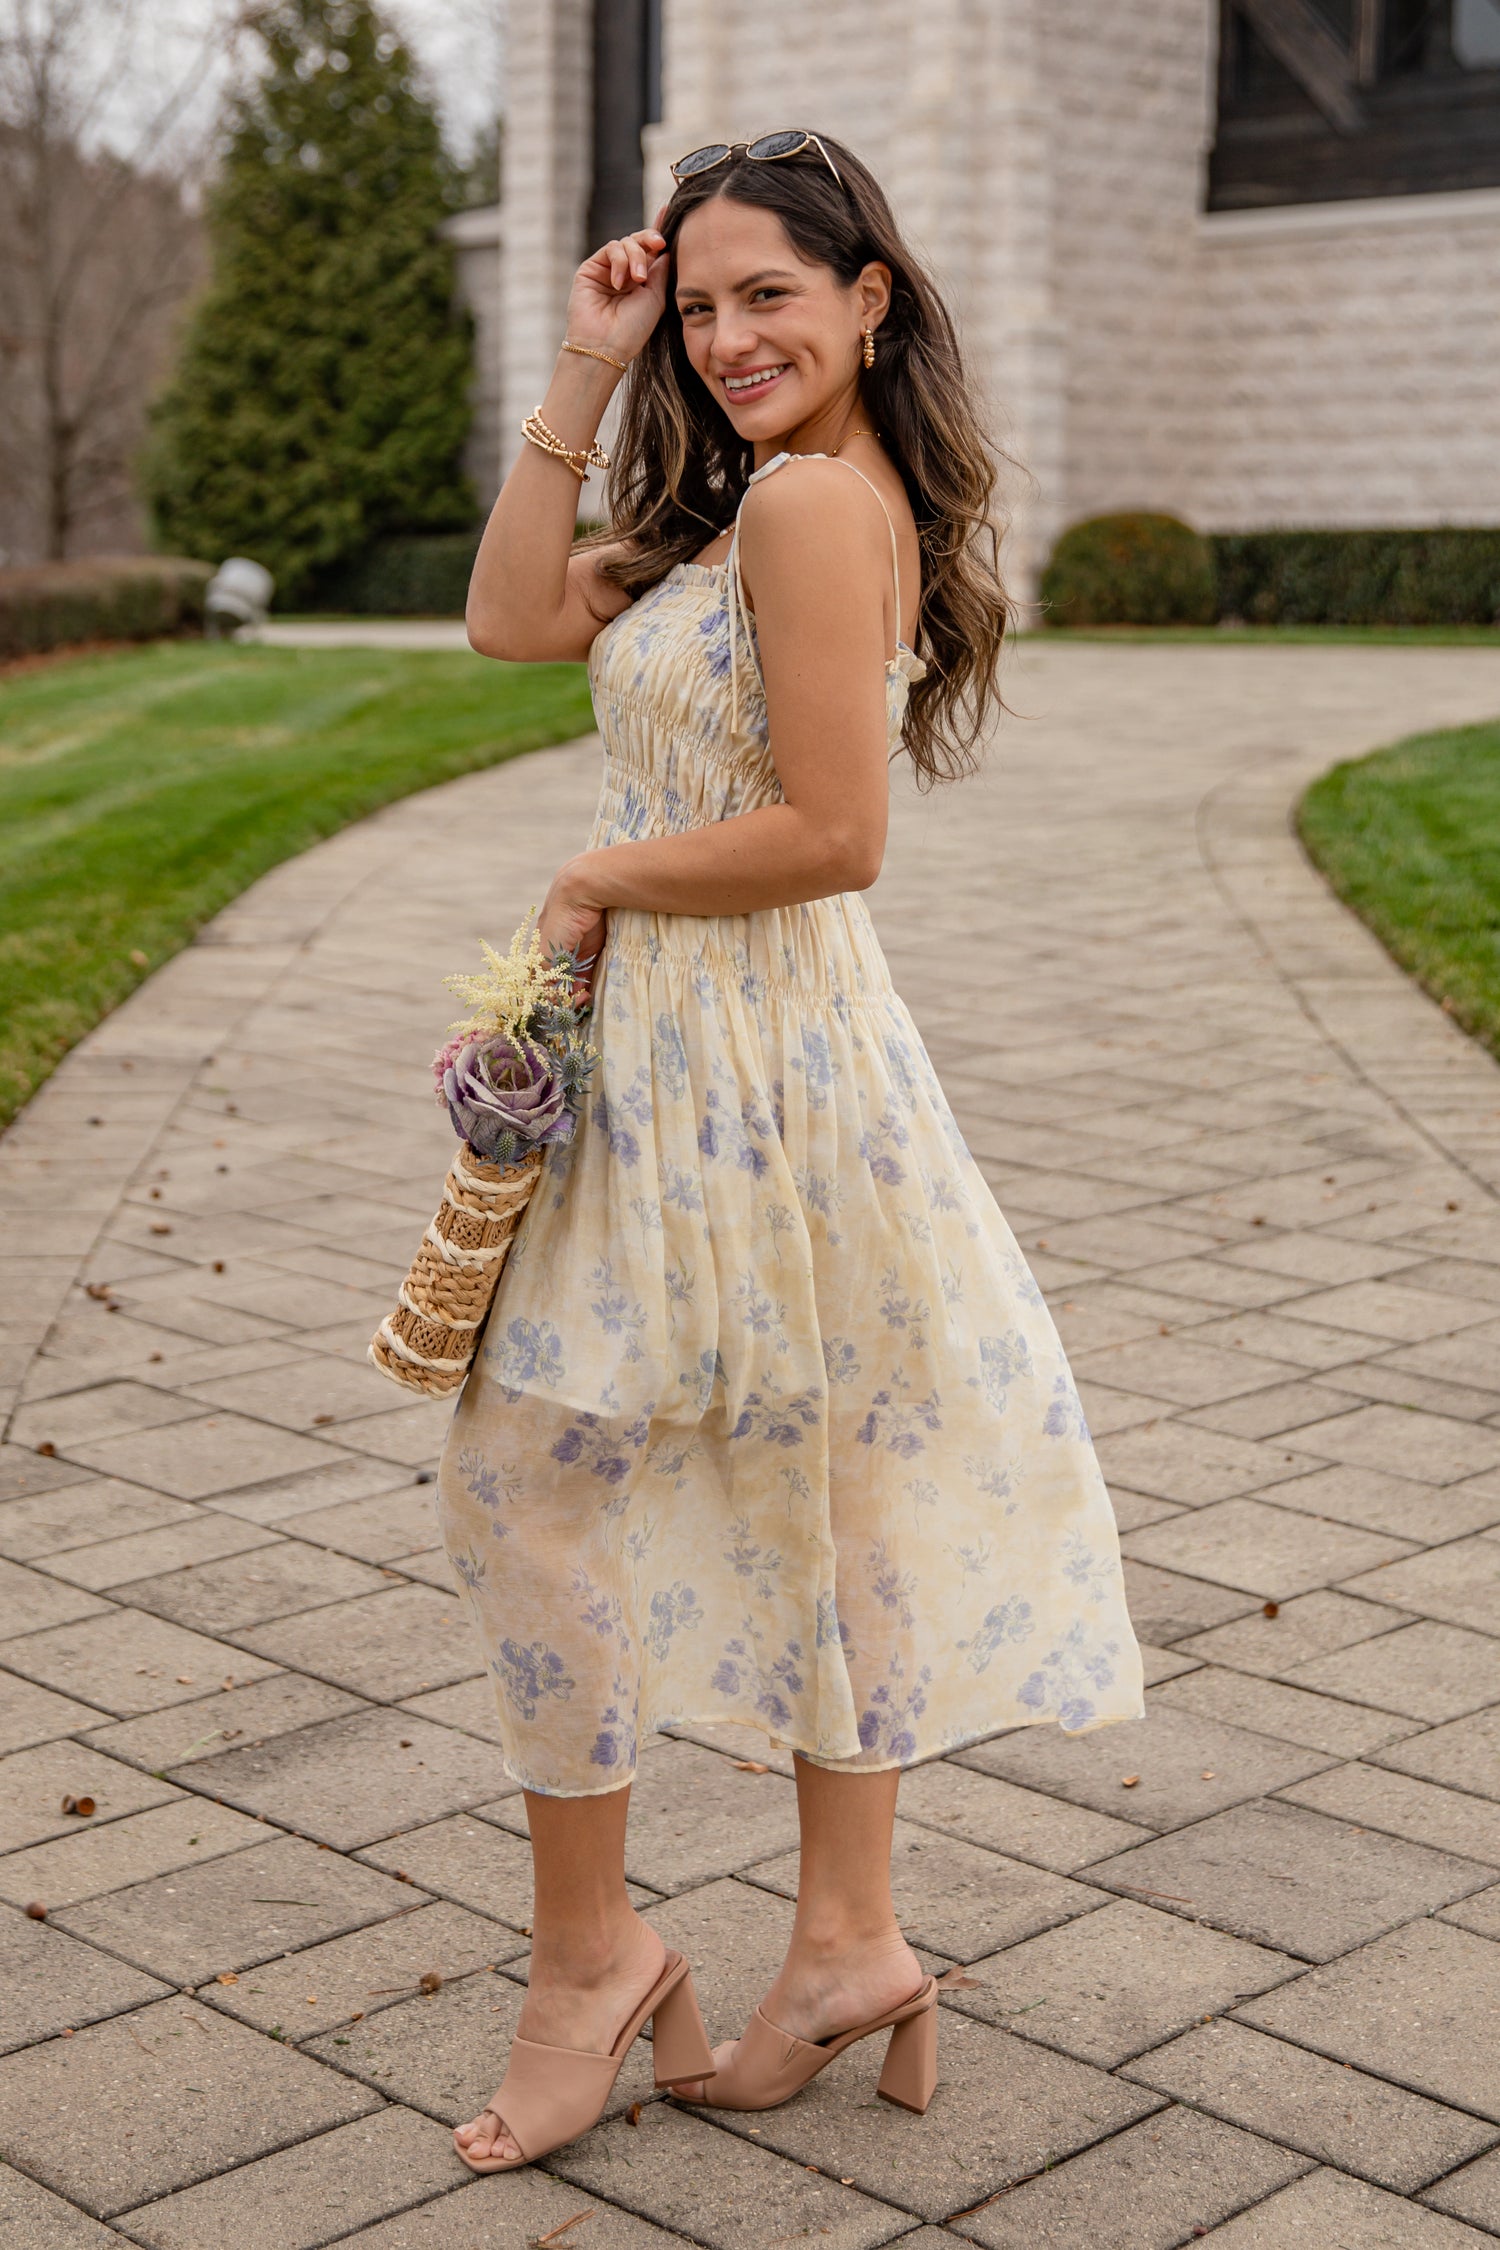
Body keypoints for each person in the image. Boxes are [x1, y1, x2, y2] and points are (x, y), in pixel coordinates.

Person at [438, 129, 1143, 2174]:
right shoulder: (737, 505)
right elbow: (504, 621)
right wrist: (585, 369)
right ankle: (840, 1943)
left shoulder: (822, 508)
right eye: (702, 300)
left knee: (529, 1468)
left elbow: (837, 833)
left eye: (775, 294)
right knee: (806, 1485)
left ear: (869, 303)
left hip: (759, 1055)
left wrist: (596, 867)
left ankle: (602, 1959)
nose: (732, 334)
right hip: (724, 1055)